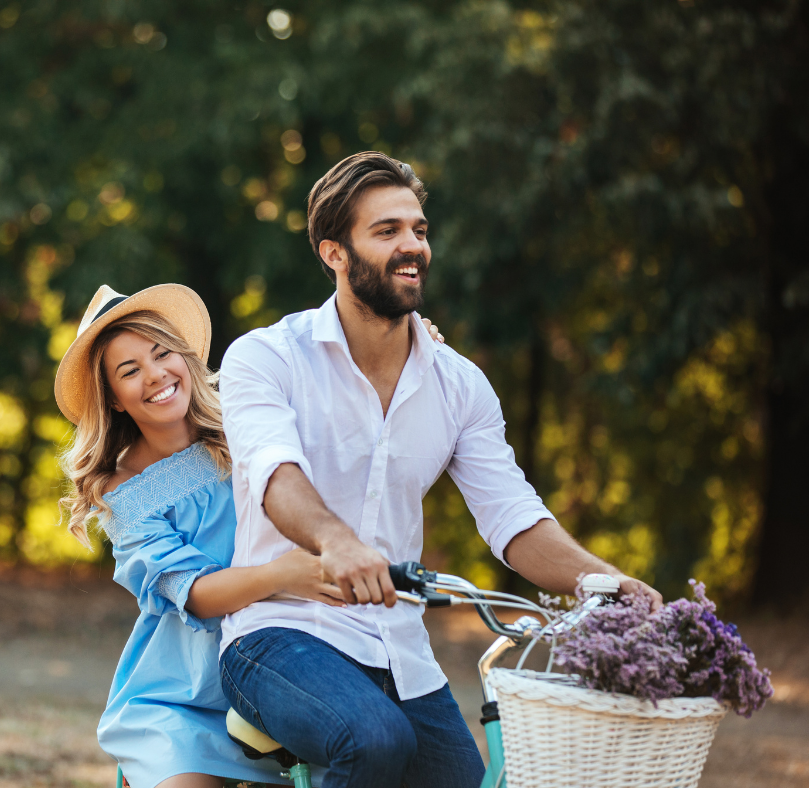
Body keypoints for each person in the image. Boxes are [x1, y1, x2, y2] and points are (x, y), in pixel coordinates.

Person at [218, 151, 664, 788]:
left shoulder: (460, 386)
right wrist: (337, 541)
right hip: (279, 634)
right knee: (375, 741)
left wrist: (606, 581)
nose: (412, 246)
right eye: (387, 231)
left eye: (419, 230)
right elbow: (274, 477)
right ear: (333, 253)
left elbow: (512, 517)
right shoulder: (266, 358)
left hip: (400, 652)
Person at [54, 283, 446, 788]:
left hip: (288, 669)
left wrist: (402, 356)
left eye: (162, 353)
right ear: (114, 397)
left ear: (185, 357)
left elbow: (350, 425)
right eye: (129, 371)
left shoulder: (248, 426)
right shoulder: (126, 492)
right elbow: (192, 595)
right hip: (184, 695)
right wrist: (283, 575)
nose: (155, 375)